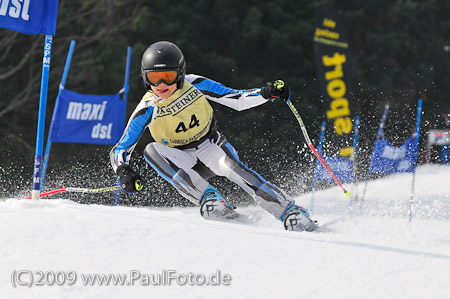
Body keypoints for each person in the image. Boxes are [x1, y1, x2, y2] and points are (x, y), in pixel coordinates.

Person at [109, 41, 316, 232]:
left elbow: (236, 98)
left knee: (238, 173)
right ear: (146, 78)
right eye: (154, 78)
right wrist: (123, 170)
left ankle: (289, 210)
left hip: (210, 146)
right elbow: (121, 148)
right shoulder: (147, 107)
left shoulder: (195, 84)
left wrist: (265, 93)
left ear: (180, 74)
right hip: (181, 158)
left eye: (168, 77)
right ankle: (208, 197)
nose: (161, 85)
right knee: (150, 150)